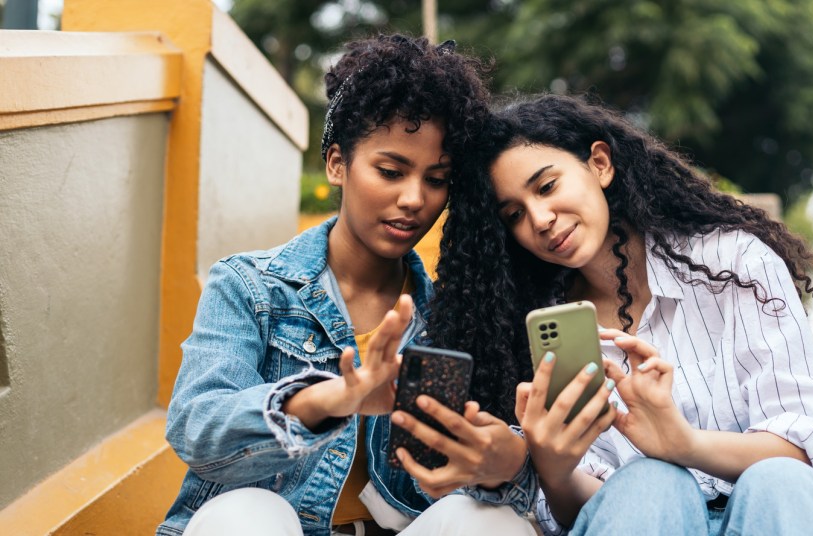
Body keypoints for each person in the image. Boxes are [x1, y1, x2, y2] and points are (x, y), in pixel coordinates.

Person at [427, 94, 813, 535]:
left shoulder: (733, 261)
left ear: (599, 164)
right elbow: (592, 513)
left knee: (781, 479)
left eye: (547, 186)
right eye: (514, 214)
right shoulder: (541, 329)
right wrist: (554, 470)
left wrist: (684, 444)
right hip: (642, 520)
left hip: (768, 517)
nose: (539, 219)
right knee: (650, 483)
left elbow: (804, 450)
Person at [158, 35, 536, 536]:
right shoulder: (251, 286)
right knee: (249, 514)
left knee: (487, 520)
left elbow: (470, 482)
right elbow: (198, 429)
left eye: (436, 179)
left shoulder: (455, 314)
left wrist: (507, 462)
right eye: (390, 170)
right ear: (337, 164)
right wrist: (329, 400)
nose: (413, 198)